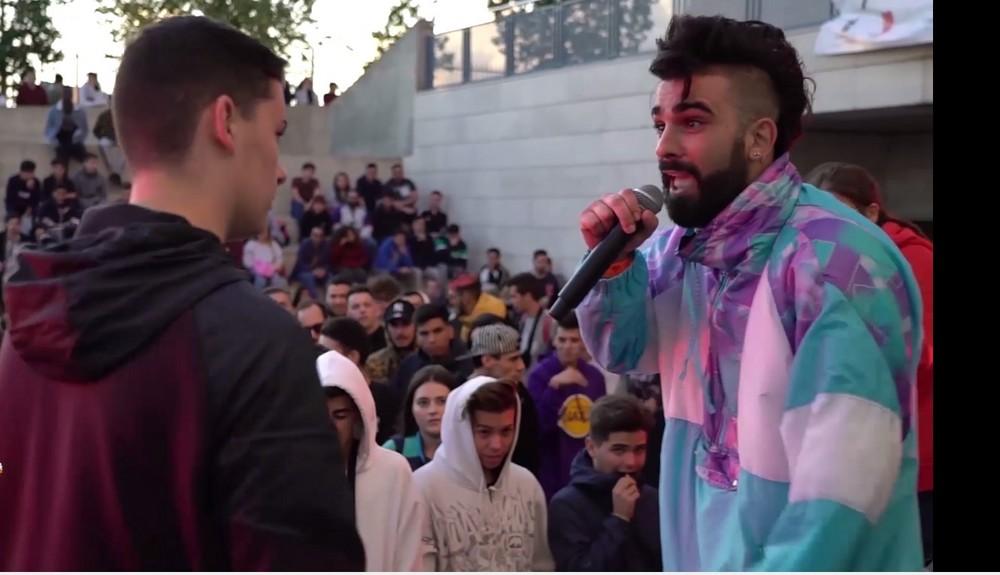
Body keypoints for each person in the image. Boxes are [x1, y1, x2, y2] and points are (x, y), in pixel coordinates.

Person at [0, 16, 363, 570]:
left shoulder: (27, 326)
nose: (282, 169)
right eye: (277, 132)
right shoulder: (255, 345)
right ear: (224, 121)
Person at [575, 15, 923, 571]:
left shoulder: (835, 260)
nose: (664, 147)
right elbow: (623, 351)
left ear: (759, 137)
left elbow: (846, 488)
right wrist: (616, 265)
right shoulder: (684, 247)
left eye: (691, 122)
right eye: (659, 124)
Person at [806, 161, 935, 566]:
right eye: (821, 216)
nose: (831, 227)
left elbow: (917, 358)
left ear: (872, 214)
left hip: (910, 453)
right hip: (853, 452)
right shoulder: (820, 260)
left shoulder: (913, 261)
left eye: (841, 214)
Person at [414, 377, 554, 571]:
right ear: (461, 430)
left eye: (506, 432)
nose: (497, 445)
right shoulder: (422, 488)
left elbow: (541, 563)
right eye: (484, 433)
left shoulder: (526, 485)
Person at [317, 350, 423, 571]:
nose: (329, 427)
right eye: (320, 415)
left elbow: (409, 556)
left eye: (340, 416)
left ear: (358, 415)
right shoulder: (291, 474)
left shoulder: (392, 471)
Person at [548, 394, 661, 571]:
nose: (631, 461)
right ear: (592, 447)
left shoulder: (652, 498)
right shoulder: (566, 505)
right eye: (619, 450)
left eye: (639, 450)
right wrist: (619, 519)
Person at [527, 312, 606, 500]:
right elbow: (537, 427)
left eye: (574, 340)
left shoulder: (595, 377)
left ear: (583, 343)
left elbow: (601, 426)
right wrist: (554, 387)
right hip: (551, 466)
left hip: (586, 465)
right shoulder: (539, 375)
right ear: (554, 341)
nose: (567, 346)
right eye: (562, 340)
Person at [392, 304, 474, 403]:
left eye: (437, 331)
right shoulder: (408, 367)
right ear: (416, 336)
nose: (431, 339)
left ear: (451, 331)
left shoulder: (470, 363)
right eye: (424, 333)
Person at [383, 365, 457, 471]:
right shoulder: (394, 450)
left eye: (442, 401)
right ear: (411, 408)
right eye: (423, 403)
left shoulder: (470, 450)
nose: (433, 410)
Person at [507, 272, 556, 368]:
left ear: (528, 296)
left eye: (514, 296)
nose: (511, 301)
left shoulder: (550, 322)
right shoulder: (522, 321)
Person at [366, 298, 417, 388]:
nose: (400, 332)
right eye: (394, 325)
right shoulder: (375, 362)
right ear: (387, 328)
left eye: (405, 324)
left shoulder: (427, 358)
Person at [450, 273, 507, 342]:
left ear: (468, 295)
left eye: (454, 297)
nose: (451, 302)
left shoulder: (493, 308)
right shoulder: (458, 317)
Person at [44, 86, 88, 165]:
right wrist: (53, 139)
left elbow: (84, 129)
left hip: (75, 140)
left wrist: (78, 138)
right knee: (62, 157)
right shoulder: (54, 111)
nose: (67, 96)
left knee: (85, 158)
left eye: (69, 94)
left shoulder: (80, 111)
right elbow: (48, 128)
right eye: (65, 94)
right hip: (59, 140)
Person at [93, 98, 129, 182]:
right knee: (103, 143)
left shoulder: (125, 115)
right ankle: (112, 169)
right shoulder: (103, 115)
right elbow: (96, 130)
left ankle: (117, 172)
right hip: (108, 138)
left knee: (126, 148)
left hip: (121, 139)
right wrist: (102, 136)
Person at [242, 223, 287, 289]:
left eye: (264, 232)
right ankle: (257, 297)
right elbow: (247, 262)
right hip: (255, 269)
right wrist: (258, 268)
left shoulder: (273, 244)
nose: (262, 235)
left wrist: (274, 267)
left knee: (277, 280)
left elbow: (279, 257)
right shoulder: (251, 244)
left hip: (271, 268)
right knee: (260, 280)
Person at [292, 225, 331, 300]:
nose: (318, 238)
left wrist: (324, 270)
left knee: (330, 277)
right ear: (311, 235)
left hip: (321, 272)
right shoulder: (305, 244)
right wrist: (313, 271)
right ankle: (315, 299)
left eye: (320, 236)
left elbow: (329, 263)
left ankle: (330, 298)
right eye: (315, 235)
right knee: (309, 277)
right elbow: (300, 264)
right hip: (305, 271)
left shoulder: (326, 245)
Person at [347, 286, 388, 353]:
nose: (362, 310)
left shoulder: (389, 339)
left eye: (367, 305)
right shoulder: (345, 343)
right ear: (347, 313)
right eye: (356, 307)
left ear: (377, 309)